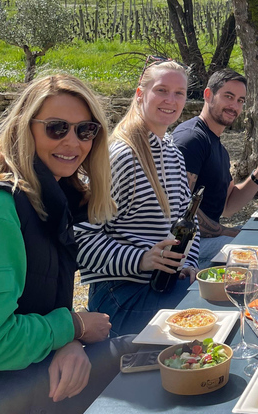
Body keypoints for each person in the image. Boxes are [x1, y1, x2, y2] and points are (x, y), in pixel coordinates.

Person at [0, 75, 128, 413]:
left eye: (85, 130)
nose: (73, 143)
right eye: (56, 128)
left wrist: (67, 342)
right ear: (24, 129)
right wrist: (75, 326)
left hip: (17, 377)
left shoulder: (48, 198)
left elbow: (33, 308)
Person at [75, 60, 199, 336]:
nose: (171, 100)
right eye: (162, 90)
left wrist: (189, 263)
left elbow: (189, 223)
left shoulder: (173, 154)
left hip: (162, 284)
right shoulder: (120, 156)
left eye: (179, 93)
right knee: (211, 316)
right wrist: (141, 259)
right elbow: (79, 239)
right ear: (140, 94)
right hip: (120, 295)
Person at [172, 68, 258, 267]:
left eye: (240, 100)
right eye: (228, 96)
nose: (234, 106)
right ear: (208, 95)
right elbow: (179, 212)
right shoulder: (191, 139)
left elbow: (228, 207)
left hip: (211, 238)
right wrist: (227, 232)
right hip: (189, 247)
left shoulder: (219, 149)